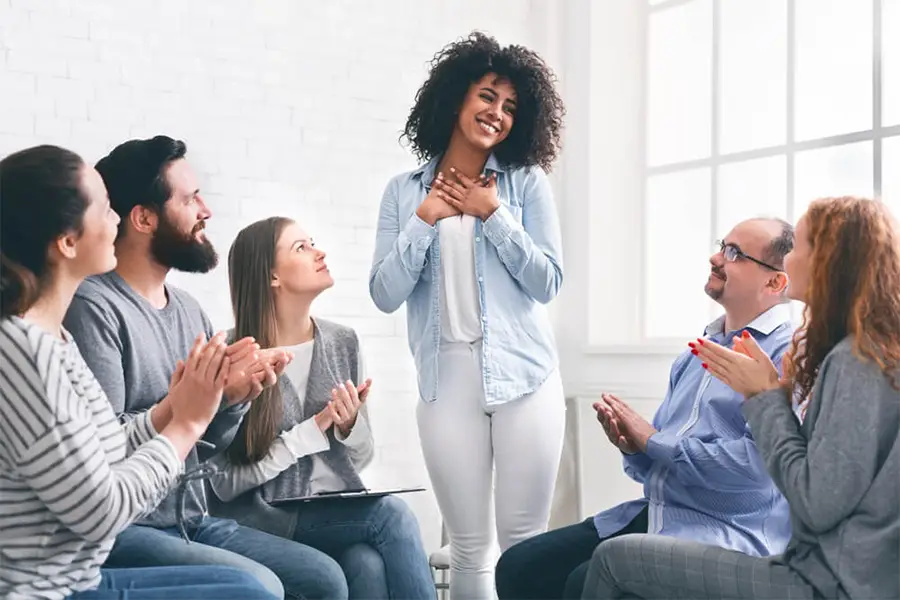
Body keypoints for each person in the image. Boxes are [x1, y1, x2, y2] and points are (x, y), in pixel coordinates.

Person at [62, 136, 352, 599]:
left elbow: (208, 448)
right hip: (131, 526)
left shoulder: (190, 311)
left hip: (192, 517)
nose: (205, 210)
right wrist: (183, 405)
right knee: (261, 587)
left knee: (325, 579)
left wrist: (233, 400)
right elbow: (105, 447)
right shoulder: (95, 308)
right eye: (189, 198)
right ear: (143, 218)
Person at [586, 196, 900, 599]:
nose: (789, 261)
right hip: (826, 569)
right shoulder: (857, 352)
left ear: (831, 261)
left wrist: (763, 395)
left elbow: (814, 504)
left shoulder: (855, 361)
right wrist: (641, 445)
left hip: (825, 581)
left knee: (613, 559)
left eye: (800, 247)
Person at [0, 145, 277, 599]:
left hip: (83, 578)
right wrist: (186, 423)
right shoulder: (23, 352)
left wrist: (184, 403)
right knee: (251, 593)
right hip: (47, 591)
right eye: (105, 209)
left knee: (250, 587)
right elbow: (102, 511)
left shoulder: (55, 342)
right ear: (67, 242)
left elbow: (104, 449)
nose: (117, 220)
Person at [496, 218, 796, 599]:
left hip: (727, 530)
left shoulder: (787, 358)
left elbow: (756, 471)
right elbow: (654, 464)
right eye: (723, 245)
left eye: (734, 254)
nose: (716, 258)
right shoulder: (695, 356)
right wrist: (632, 445)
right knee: (522, 566)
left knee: (582, 581)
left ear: (775, 283)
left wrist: (652, 441)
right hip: (658, 510)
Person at [368, 32, 567, 599]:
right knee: (470, 548)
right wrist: (425, 218)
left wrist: (495, 214)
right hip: (445, 378)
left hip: (526, 377)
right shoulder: (403, 192)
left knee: (524, 541)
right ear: (455, 99)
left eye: (509, 107)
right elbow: (384, 292)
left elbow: (548, 281)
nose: (497, 115)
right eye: (486, 97)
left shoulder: (526, 184)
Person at [205, 216, 436, 599]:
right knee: (391, 515)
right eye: (302, 247)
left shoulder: (343, 342)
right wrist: (309, 433)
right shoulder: (236, 356)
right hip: (265, 520)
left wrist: (348, 428)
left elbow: (359, 459)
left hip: (334, 514)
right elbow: (223, 485)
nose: (320, 252)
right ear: (272, 277)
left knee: (367, 564)